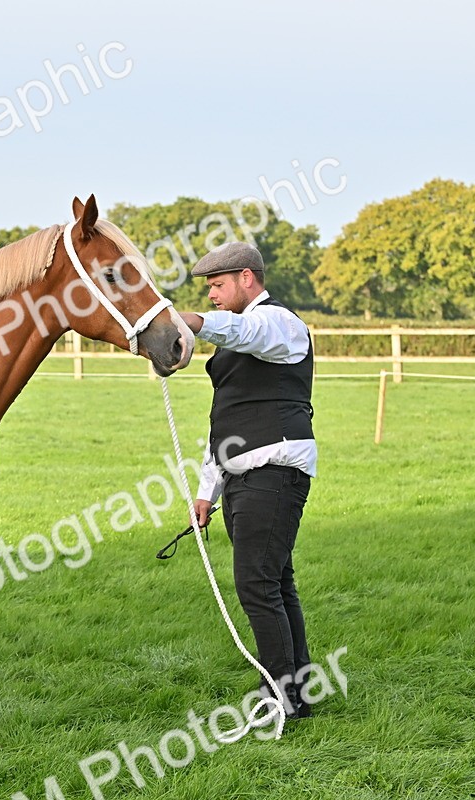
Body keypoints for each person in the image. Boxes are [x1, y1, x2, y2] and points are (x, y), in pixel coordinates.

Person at [178, 241, 316, 720]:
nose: (213, 296)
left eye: (217, 286)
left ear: (247, 278)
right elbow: (224, 424)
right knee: (276, 582)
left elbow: (245, 331)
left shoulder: (279, 323)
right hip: (244, 478)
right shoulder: (236, 343)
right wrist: (204, 491)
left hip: (274, 473)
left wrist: (190, 322)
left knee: (257, 584)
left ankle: (279, 698)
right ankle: (296, 692)